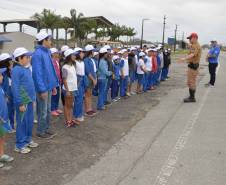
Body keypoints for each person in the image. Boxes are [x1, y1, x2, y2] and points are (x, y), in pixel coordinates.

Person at [32, 31, 59, 138]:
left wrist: (53, 85)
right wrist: (42, 89)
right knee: (42, 111)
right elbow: (37, 74)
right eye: (49, 40)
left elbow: (51, 70)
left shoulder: (47, 52)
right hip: (42, 88)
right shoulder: (37, 54)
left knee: (47, 110)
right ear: (44, 41)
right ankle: (40, 131)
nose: (51, 42)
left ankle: (46, 128)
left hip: (48, 86)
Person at [11, 47, 38, 154]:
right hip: (23, 101)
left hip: (30, 100)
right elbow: (15, 87)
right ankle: (19, 144)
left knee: (29, 121)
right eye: (27, 57)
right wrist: (20, 103)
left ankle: (27, 139)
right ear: (19, 58)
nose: (28, 59)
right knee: (21, 122)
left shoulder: (25, 68)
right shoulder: (17, 70)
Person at [179, 32, 202, 103]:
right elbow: (191, 50)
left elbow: (192, 54)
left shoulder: (195, 45)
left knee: (191, 82)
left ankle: (192, 98)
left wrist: (184, 58)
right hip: (192, 66)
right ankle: (191, 96)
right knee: (190, 82)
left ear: (194, 38)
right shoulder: (194, 45)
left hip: (193, 66)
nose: (189, 40)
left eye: (190, 38)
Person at [0, 68, 14, 168]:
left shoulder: (1, 88)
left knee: (2, 136)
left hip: (3, 118)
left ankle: (1, 154)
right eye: (0, 75)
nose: (2, 77)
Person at [62, 48, 79, 127]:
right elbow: (64, 80)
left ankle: (70, 119)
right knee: (67, 105)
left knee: (71, 105)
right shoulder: (65, 67)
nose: (75, 56)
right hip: (68, 89)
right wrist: (67, 90)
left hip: (73, 88)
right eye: (73, 55)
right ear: (69, 56)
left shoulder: (72, 65)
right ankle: (68, 121)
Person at [0, 53, 15, 133]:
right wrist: (5, 95)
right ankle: (7, 127)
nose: (11, 62)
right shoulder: (2, 72)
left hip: (11, 91)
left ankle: (11, 126)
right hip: (6, 93)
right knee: (7, 111)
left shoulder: (10, 70)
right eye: (9, 60)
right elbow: (2, 86)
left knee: (12, 110)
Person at [84, 45, 97, 116]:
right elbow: (87, 71)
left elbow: (94, 71)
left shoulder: (91, 59)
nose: (93, 52)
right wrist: (93, 79)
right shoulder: (86, 60)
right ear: (90, 51)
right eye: (92, 50)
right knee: (87, 95)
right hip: (88, 80)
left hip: (92, 79)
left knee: (90, 94)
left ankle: (90, 108)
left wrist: (95, 79)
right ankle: (87, 110)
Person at [73, 48, 86, 122]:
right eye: (81, 53)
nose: (83, 54)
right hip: (78, 80)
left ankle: (78, 114)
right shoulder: (75, 62)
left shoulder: (82, 62)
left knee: (80, 99)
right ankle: (77, 115)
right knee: (78, 99)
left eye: (83, 53)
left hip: (82, 79)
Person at [50, 48, 63, 116]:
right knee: (54, 95)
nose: (58, 54)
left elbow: (59, 71)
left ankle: (56, 107)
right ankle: (52, 109)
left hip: (58, 81)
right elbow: (52, 73)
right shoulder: (51, 61)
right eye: (56, 53)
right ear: (53, 54)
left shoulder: (57, 61)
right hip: (53, 81)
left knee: (57, 95)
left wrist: (60, 79)